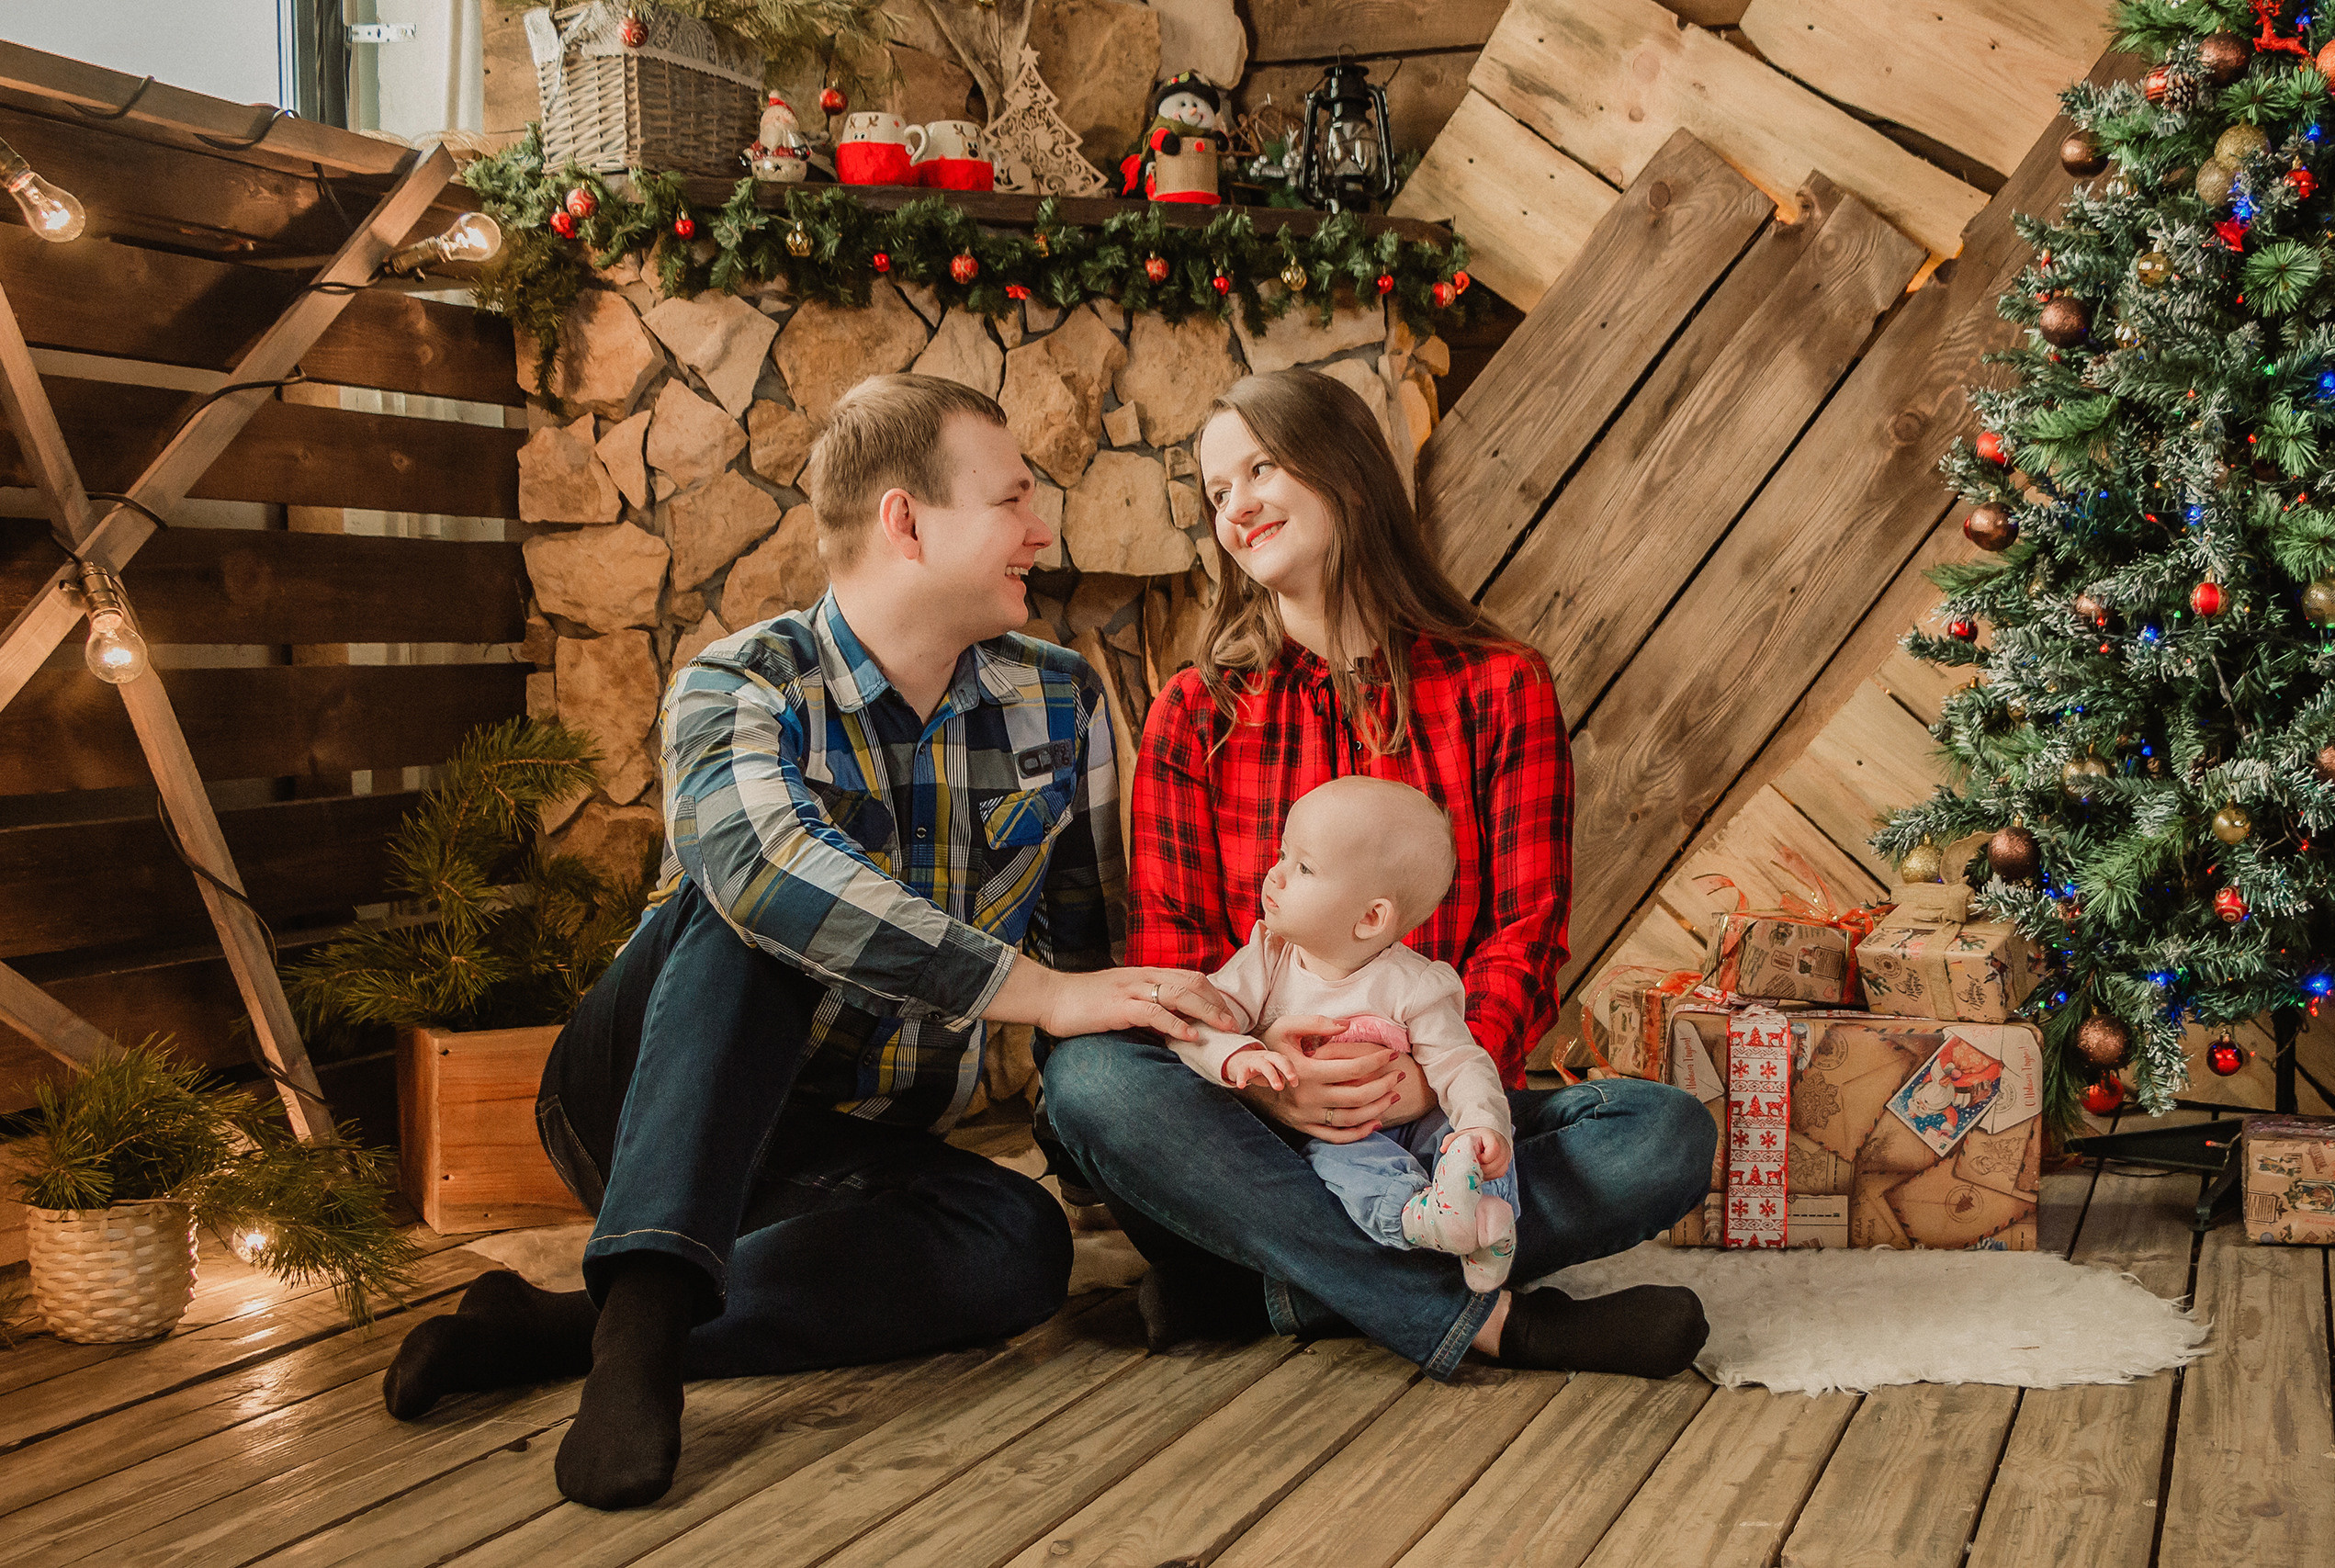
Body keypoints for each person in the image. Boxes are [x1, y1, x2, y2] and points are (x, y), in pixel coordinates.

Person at [380, 374, 1237, 1511]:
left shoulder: (1061, 697)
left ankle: (553, 1330)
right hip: (641, 1097)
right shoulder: (739, 682)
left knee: (1017, 1241)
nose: (1043, 533)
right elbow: (765, 874)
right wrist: (1032, 991)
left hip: (848, 1146)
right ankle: (636, 1333)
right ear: (907, 521)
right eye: (1014, 501)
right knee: (761, 909)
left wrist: (1146, 1191)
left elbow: (1087, 970)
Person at [1043, 367, 1717, 1382]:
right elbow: (1174, 956)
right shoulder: (1197, 712)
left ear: (1347, 476)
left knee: (1660, 1136)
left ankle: (1259, 1285)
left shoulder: (1499, 687)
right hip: (1250, 1121)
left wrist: (1420, 1084)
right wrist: (1276, 1084)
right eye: (1217, 493)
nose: (1238, 508)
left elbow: (1524, 933)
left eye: (1260, 468)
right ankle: (1493, 1323)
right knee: (1088, 1083)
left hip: (1439, 1113)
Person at [1167, 775, 1519, 1291]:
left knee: (1472, 1140)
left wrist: (1481, 1126)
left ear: (1371, 917)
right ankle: (1420, 1217)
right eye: (1283, 854)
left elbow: (1460, 1063)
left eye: (1303, 867)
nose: (1275, 876)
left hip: (1418, 1121)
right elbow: (1197, 1020)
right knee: (1345, 1164)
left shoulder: (1415, 984)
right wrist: (1238, 1054)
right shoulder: (1267, 960)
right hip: (1341, 1135)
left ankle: (1489, 1222)